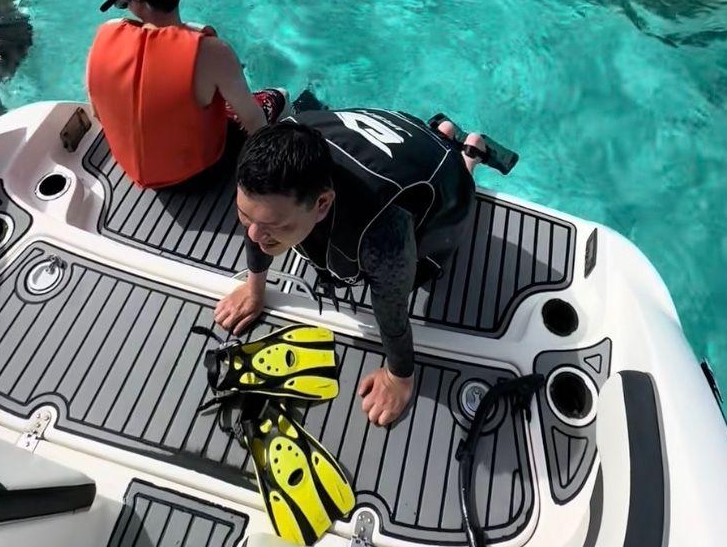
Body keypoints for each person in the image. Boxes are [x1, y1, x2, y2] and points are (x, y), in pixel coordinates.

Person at [214, 107, 511, 427]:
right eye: (245, 215)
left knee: (428, 259)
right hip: (400, 136)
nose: (254, 234)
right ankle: (443, 135)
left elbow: (392, 307)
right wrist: (254, 289)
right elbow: (259, 221)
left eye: (275, 225)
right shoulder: (267, 161)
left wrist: (399, 378)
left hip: (438, 179)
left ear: (322, 204)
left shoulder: (381, 233)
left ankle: (467, 155)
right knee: (263, 223)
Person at [87, 0, 284, 189]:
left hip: (129, 169)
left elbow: (97, 112)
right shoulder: (212, 52)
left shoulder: (106, 34)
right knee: (276, 97)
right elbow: (254, 122)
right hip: (198, 176)